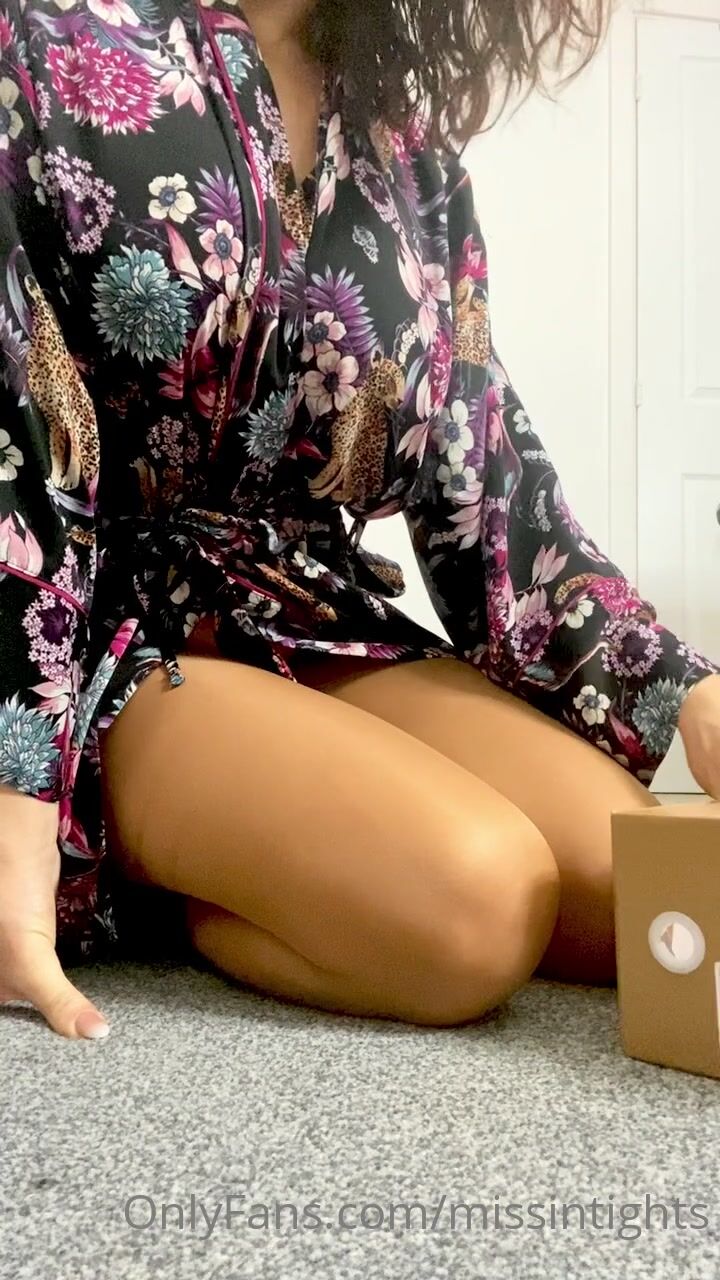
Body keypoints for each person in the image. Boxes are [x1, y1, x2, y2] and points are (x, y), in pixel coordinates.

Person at [0, 0, 718, 1042]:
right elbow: (15, 434)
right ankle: (146, 875)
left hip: (307, 609)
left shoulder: (405, 152)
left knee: (637, 878)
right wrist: (16, 782)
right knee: (481, 904)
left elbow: (486, 478)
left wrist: (686, 689)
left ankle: (269, 856)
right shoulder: (48, 43)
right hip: (104, 633)